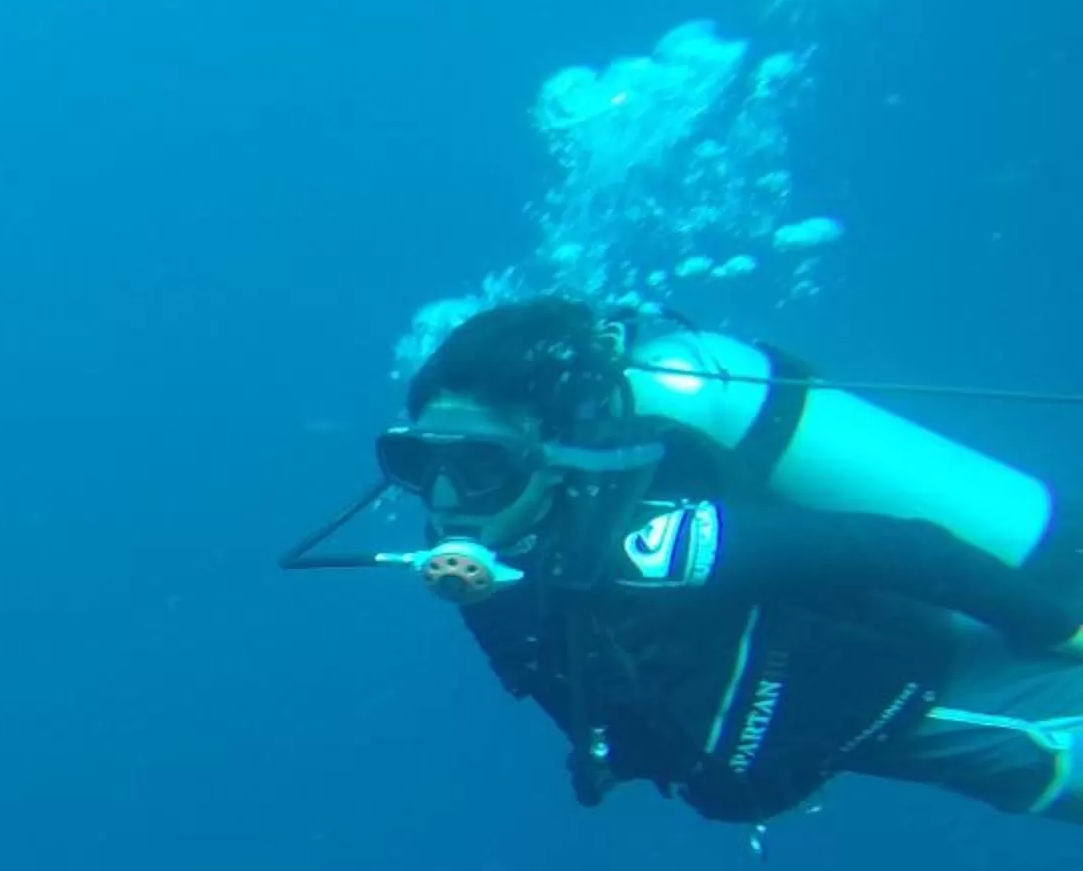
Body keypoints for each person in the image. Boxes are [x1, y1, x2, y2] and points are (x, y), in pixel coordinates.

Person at [381, 298, 1083, 831]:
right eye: (420, 465)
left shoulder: (666, 547)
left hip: (979, 701)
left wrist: (1060, 629)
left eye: (480, 465)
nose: (447, 500)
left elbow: (907, 549)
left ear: (555, 459)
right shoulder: (496, 573)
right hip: (880, 730)